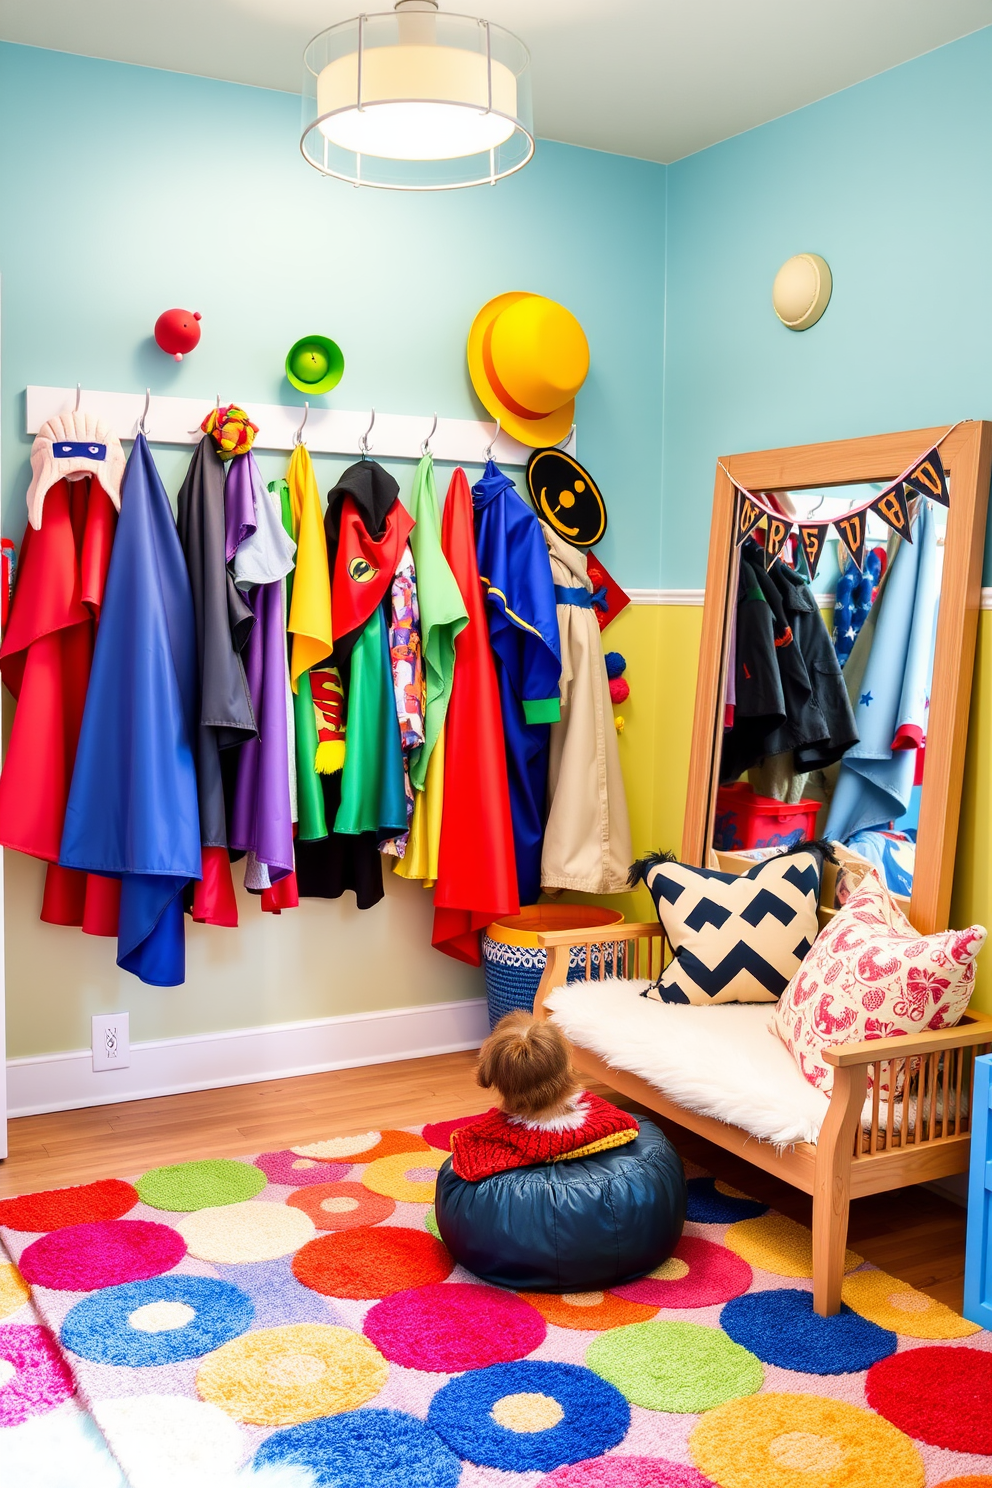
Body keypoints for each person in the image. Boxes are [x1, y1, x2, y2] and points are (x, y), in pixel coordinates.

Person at [450, 1012, 639, 1181]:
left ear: (493, 1077)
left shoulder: (476, 1140)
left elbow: (461, 1165)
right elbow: (630, 1124)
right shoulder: (614, 1120)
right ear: (566, 1067)